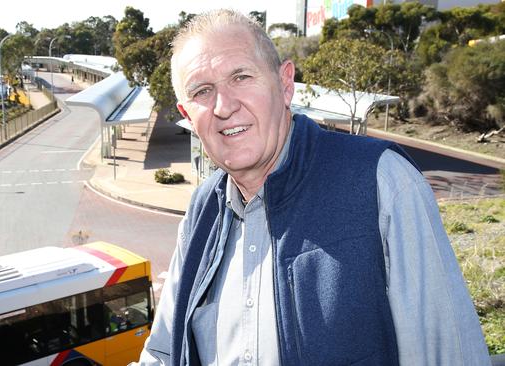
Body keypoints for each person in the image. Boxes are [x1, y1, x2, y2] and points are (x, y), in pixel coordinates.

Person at [135, 9, 490, 366]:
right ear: (187, 114)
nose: (224, 107)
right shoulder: (201, 212)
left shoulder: (381, 182)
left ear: (285, 84)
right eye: (203, 91)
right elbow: (163, 353)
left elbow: (448, 355)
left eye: (241, 77)